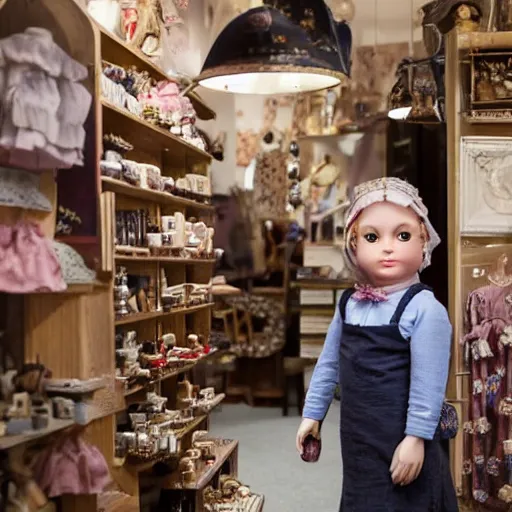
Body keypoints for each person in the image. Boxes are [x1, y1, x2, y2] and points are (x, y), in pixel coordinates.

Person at [296, 177, 458, 511]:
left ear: (423, 240)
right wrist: (313, 413)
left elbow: (428, 385)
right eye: (372, 236)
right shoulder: (348, 304)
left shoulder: (425, 308)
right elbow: (328, 364)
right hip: (359, 438)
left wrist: (415, 438)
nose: (388, 247)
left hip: (404, 438)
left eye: (403, 235)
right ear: (353, 244)